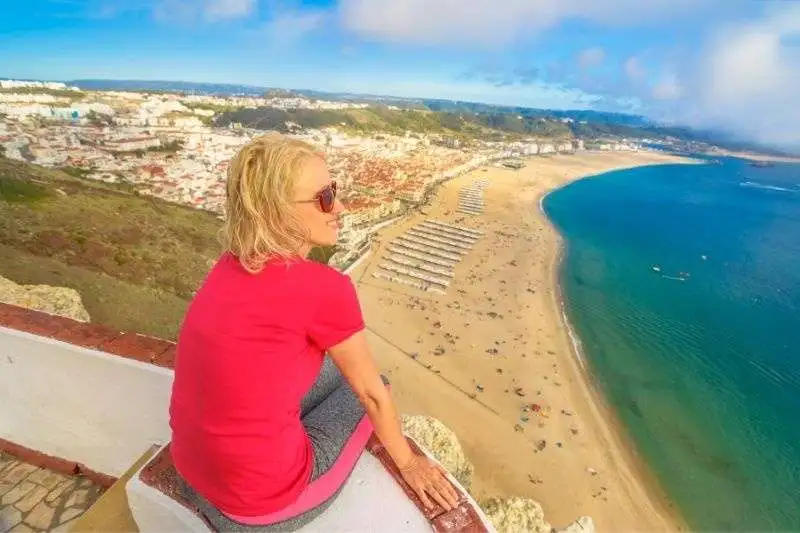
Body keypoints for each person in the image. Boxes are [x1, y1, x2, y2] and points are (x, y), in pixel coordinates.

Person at [168, 133, 459, 531]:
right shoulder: (323, 288)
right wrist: (409, 463)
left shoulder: (229, 265)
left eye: (334, 191)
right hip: (258, 510)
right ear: (277, 212)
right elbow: (371, 396)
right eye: (324, 197)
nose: (339, 206)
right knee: (379, 387)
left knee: (335, 374)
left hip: (193, 475)